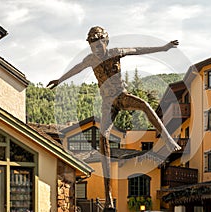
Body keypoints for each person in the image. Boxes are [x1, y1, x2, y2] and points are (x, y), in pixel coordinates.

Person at [47, 26, 181, 210]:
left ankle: (167, 138)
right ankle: (109, 199)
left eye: (99, 44)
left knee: (144, 105)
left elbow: (138, 50)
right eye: (93, 45)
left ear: (106, 42)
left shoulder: (115, 52)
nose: (97, 48)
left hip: (121, 96)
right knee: (103, 139)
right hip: (107, 102)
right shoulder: (90, 60)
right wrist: (59, 80)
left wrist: (163, 48)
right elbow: (76, 69)